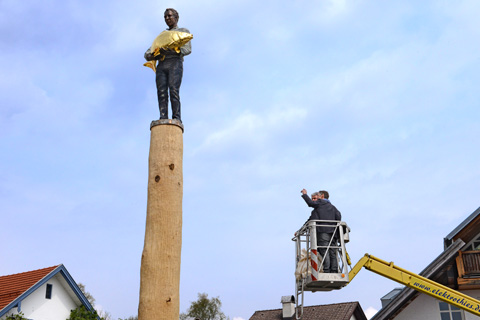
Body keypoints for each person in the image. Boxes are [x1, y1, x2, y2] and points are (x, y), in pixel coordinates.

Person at [144, 8, 192, 122]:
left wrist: (173, 51)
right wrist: (152, 56)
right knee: (161, 92)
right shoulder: (162, 36)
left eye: (169, 16)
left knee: (173, 90)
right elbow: (148, 52)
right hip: (162, 64)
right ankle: (163, 117)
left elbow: (187, 49)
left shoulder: (183, 31)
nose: (167, 18)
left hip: (175, 63)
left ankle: (176, 118)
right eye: (165, 17)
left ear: (176, 17)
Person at [301, 188, 342, 273]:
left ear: (321, 197)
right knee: (332, 252)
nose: (314, 200)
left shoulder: (320, 203)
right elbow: (338, 216)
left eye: (316, 198)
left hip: (323, 232)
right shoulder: (332, 207)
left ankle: (326, 270)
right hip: (333, 233)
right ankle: (334, 270)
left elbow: (310, 204)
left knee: (324, 250)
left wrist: (305, 194)